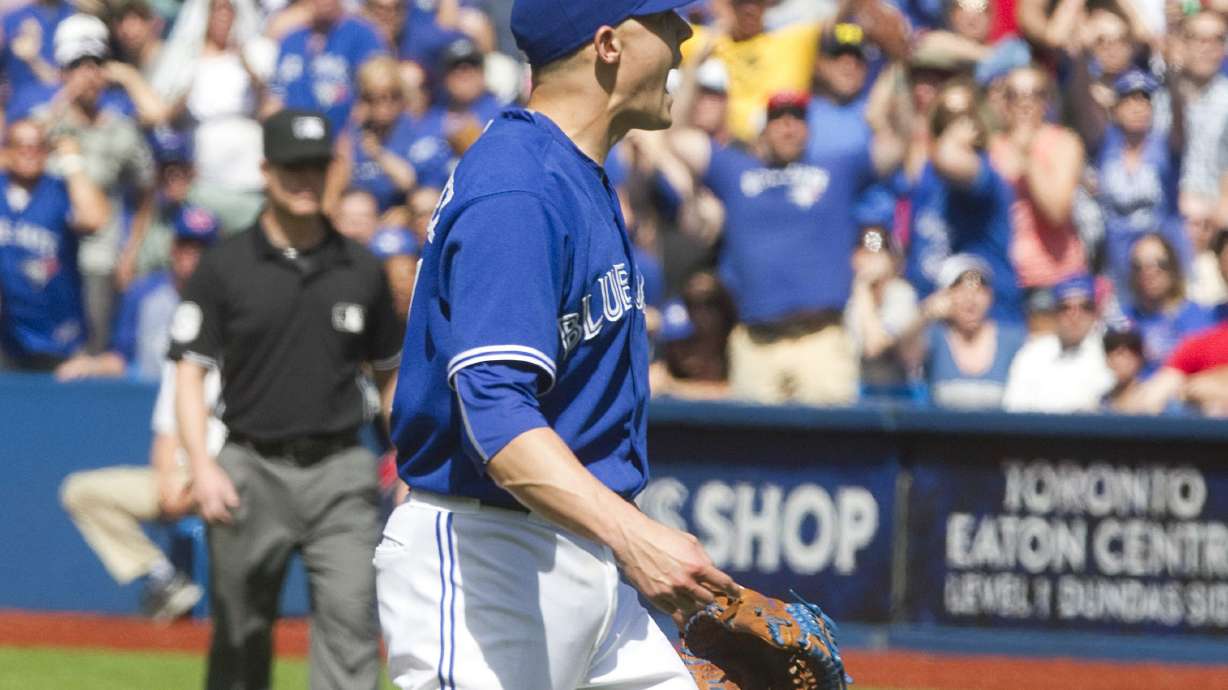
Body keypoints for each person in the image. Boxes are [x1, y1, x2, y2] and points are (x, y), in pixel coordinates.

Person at [377, 3, 738, 688]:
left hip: (584, 563)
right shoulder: (521, 187)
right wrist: (635, 538)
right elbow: (497, 418)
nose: (684, 38)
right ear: (607, 45)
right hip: (489, 565)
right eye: (664, 22)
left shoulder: (570, 172)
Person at [171, 109, 402, 690]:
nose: (306, 180)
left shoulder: (363, 269)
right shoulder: (224, 266)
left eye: (317, 167)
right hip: (249, 466)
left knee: (351, 625)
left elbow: (388, 377)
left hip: (340, 471)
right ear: (266, 171)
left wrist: (407, 461)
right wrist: (201, 465)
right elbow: (188, 374)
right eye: (293, 168)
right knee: (240, 635)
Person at [667, 90, 902, 405]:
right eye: (779, 119)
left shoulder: (837, 171)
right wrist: (694, 63)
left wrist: (885, 108)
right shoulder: (736, 171)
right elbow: (677, 137)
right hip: (756, 342)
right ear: (765, 128)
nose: (789, 127)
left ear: (809, 129)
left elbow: (897, 147)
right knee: (753, 448)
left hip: (821, 339)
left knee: (831, 447)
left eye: (798, 119)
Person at [59, 358, 224, 621]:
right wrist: (167, 482)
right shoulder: (182, 359)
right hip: (181, 478)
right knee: (81, 491)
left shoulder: (254, 349)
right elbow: (167, 433)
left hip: (233, 477)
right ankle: (164, 579)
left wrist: (202, 477)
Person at [41, 13, 157, 350]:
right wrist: (63, 99)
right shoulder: (46, 118)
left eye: (95, 64)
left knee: (95, 346)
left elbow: (146, 190)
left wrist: (131, 251)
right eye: (78, 65)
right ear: (63, 71)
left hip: (100, 252)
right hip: (49, 245)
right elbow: (20, 149)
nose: (88, 75)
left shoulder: (121, 127)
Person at [55, 204, 220, 381]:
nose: (191, 254)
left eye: (201, 248)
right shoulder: (142, 293)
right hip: (148, 398)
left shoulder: (225, 300)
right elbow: (121, 358)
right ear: (173, 246)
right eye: (185, 244)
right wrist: (92, 365)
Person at [903, 81, 1022, 322]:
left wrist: (951, 137)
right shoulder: (926, 172)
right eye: (948, 116)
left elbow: (949, 157)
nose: (957, 123)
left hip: (988, 319)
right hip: (935, 315)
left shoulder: (983, 172)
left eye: (965, 115)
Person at [0, 119, 108, 371]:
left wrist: (72, 161)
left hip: (58, 334)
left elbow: (95, 218)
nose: (29, 152)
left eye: (37, 146)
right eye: (21, 145)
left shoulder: (59, 190)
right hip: (8, 335)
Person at [988, 65, 1088, 291]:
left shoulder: (1064, 142)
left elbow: (1057, 212)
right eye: (1015, 95)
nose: (1025, 103)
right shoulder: (992, 147)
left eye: (1035, 94)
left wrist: (1027, 154)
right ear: (1003, 103)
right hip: (1005, 278)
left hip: (1056, 276)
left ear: (1047, 101)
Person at [912, 254, 1027, 410]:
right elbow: (904, 358)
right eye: (961, 291)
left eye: (979, 291)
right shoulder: (933, 338)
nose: (971, 301)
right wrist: (924, 315)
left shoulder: (1013, 340)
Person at [265, 0, 386, 132]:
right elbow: (275, 98)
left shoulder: (362, 36)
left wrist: (351, 135)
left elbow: (374, 97)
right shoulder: (291, 41)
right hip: (295, 138)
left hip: (342, 135)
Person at [1003, 274, 1115, 412]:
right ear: (1054, 312)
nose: (1075, 315)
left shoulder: (1111, 352)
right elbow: (1014, 407)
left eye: (1085, 307)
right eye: (1066, 307)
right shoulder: (1032, 353)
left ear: (1095, 313)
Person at [1121, 232, 1213, 373]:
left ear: (1173, 267)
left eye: (1160, 264)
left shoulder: (1201, 317)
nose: (1149, 273)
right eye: (1139, 266)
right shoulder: (1125, 321)